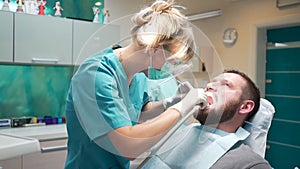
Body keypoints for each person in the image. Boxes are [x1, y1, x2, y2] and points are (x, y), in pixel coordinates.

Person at [64, 0, 207, 169]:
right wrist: (183, 106)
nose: (170, 68)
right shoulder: (96, 74)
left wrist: (170, 102)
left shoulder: (138, 76)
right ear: (155, 48)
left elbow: (140, 110)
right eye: (172, 61)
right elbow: (128, 146)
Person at [141, 69, 273, 169]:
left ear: (245, 106)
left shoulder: (249, 162)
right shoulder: (181, 134)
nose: (209, 85)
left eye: (226, 85)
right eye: (212, 82)